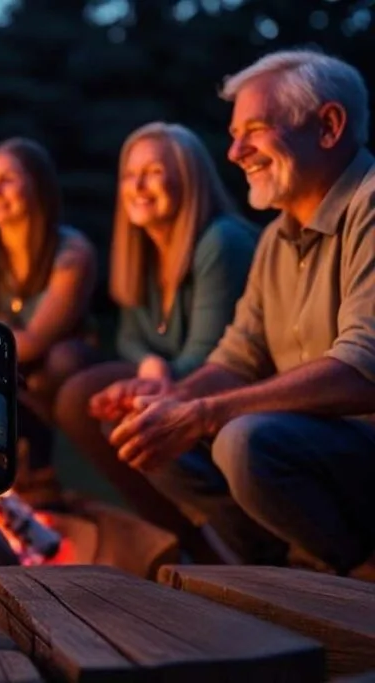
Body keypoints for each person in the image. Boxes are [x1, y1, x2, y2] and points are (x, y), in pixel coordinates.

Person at [101, 49, 375, 576]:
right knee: (157, 433)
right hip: (322, 450)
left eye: (253, 130)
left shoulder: (369, 207)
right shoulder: (277, 238)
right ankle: (272, 572)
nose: (234, 151)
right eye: (233, 133)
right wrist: (171, 399)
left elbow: (363, 371)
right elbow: (238, 356)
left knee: (245, 440)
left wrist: (204, 413)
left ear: (328, 126)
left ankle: (354, 577)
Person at [54, 122, 258, 559]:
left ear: (189, 179)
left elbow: (215, 360)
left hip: (231, 393)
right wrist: (150, 368)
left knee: (124, 413)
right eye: (130, 175)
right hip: (174, 383)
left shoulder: (222, 242)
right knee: (85, 399)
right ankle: (186, 541)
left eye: (154, 172)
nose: (138, 186)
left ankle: (243, 544)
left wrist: (154, 379)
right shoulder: (145, 251)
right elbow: (131, 340)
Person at [0, 137, 97, 506]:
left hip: (50, 364)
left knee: (61, 359)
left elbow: (39, 336)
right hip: (2, 365)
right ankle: (1, 475)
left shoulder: (72, 253)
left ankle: (45, 471)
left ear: (37, 186)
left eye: (8, 180)